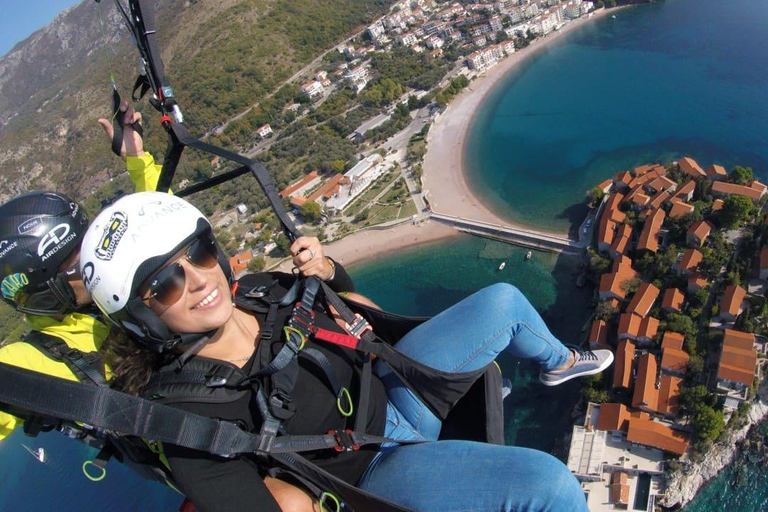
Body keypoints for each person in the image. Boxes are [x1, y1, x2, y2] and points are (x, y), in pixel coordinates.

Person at [82, 192, 612, 512]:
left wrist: (330, 271)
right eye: (167, 283)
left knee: (504, 302)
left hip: (394, 396)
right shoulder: (189, 415)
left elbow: (357, 313)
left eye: (198, 253)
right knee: (548, 486)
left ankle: (559, 364)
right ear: (142, 314)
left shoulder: (262, 291)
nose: (199, 280)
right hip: (373, 472)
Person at [0, 102, 170, 441]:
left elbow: (163, 229)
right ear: (45, 291)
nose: (97, 259)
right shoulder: (30, 364)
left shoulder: (110, 288)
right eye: (76, 262)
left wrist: (137, 159)